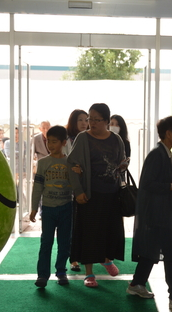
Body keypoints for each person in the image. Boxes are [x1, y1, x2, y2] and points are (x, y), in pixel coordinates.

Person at [127, 116, 172, 308]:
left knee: (152, 252)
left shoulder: (164, 153)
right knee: (171, 253)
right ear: (168, 133)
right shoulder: (157, 155)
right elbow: (147, 184)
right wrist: (170, 186)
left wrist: (171, 186)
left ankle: (137, 284)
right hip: (156, 215)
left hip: (159, 214)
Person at [67, 103, 127, 288]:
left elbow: (122, 160)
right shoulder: (83, 138)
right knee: (89, 233)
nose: (91, 123)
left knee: (110, 230)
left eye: (96, 119)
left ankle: (107, 260)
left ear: (107, 121)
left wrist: (123, 166)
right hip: (90, 194)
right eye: (89, 119)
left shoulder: (116, 139)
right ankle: (89, 273)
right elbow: (71, 164)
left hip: (112, 193)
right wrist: (78, 191)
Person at [29, 126, 73, 288]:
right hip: (48, 209)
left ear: (64, 142)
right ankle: (42, 275)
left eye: (54, 142)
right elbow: (37, 187)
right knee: (46, 242)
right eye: (48, 141)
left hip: (67, 208)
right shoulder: (42, 163)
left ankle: (61, 271)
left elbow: (77, 184)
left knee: (64, 243)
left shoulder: (70, 162)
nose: (50, 145)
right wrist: (34, 207)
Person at [65, 109, 89, 272]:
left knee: (83, 225)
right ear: (73, 121)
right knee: (71, 225)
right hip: (69, 188)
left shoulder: (89, 138)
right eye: (80, 120)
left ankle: (84, 255)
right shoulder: (66, 139)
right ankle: (73, 258)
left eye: (86, 120)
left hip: (85, 187)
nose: (84, 123)